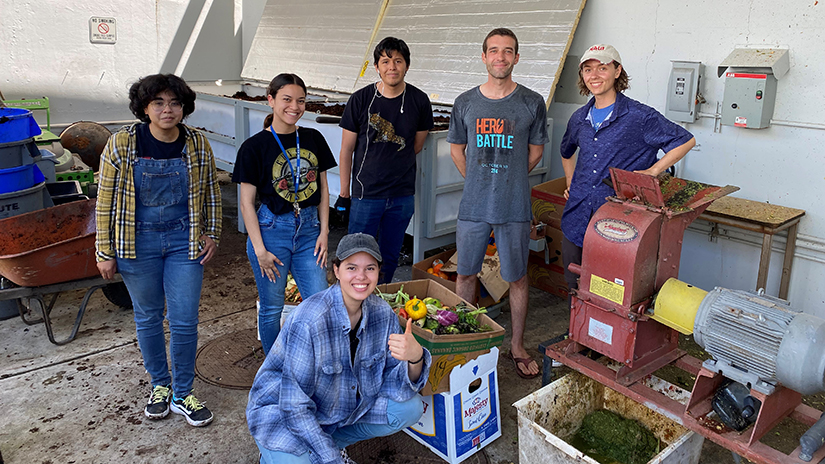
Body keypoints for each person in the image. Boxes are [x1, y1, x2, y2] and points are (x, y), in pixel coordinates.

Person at [95, 73, 222, 426]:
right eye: (159, 103)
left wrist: (212, 233)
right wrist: (103, 251)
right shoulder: (122, 144)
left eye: (175, 103)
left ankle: (182, 393)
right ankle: (160, 386)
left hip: (185, 241)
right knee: (148, 317)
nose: (168, 110)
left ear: (185, 108)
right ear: (145, 108)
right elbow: (104, 201)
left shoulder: (197, 143)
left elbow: (212, 190)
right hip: (137, 244)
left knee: (184, 320)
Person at [247, 233, 430, 464]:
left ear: (378, 272)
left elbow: (394, 383)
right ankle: (283, 456)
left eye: (370, 268)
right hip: (282, 412)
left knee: (409, 408)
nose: (361, 277)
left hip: (335, 409)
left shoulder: (383, 314)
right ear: (336, 270)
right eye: (351, 267)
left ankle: (331, 443)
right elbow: (294, 406)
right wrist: (332, 459)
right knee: (298, 461)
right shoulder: (311, 320)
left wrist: (416, 358)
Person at [448, 28, 549, 380]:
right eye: (494, 50)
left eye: (508, 51)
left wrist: (510, 177)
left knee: (518, 277)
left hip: (515, 206)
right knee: (465, 274)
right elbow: (457, 149)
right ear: (484, 56)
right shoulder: (465, 102)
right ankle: (465, 340)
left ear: (517, 58)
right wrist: (478, 177)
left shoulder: (532, 102)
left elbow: (535, 152)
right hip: (474, 205)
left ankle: (517, 346)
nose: (501, 57)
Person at [560, 44, 696, 302]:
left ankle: (601, 339)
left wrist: (654, 171)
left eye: (602, 68)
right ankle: (576, 331)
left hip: (618, 221)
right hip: (577, 215)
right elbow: (566, 151)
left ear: (617, 71)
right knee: (574, 281)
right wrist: (571, 181)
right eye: (588, 70)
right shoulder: (579, 118)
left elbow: (685, 140)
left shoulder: (638, 116)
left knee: (609, 286)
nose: (595, 75)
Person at [233, 73, 337, 355]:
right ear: (271, 101)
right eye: (286, 99)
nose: (294, 106)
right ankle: (275, 369)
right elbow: (246, 203)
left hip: (309, 231)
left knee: (320, 303)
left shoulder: (313, 138)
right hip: (271, 231)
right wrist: (260, 249)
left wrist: (324, 233)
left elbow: (324, 190)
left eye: (301, 101)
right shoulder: (253, 147)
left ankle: (314, 363)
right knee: (271, 308)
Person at [337, 36, 434, 283]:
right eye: (386, 61)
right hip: (365, 194)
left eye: (398, 61)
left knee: (388, 256)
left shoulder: (419, 100)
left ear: (407, 66)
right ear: (377, 67)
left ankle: (379, 303)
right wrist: (345, 192)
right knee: (357, 256)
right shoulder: (361, 99)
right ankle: (353, 306)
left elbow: (416, 145)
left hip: (401, 195)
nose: (392, 67)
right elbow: (347, 149)